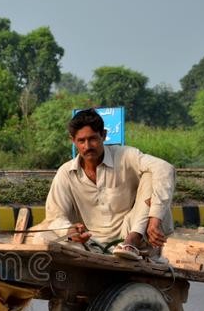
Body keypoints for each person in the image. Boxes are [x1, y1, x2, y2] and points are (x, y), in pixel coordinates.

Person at [40, 108, 176, 261]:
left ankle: (132, 241)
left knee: (151, 174)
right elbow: (54, 217)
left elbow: (165, 168)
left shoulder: (125, 155)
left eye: (92, 139)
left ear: (103, 135)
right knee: (42, 237)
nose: (87, 146)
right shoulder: (66, 172)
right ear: (73, 141)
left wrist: (155, 218)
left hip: (132, 234)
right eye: (81, 141)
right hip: (91, 242)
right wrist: (70, 230)